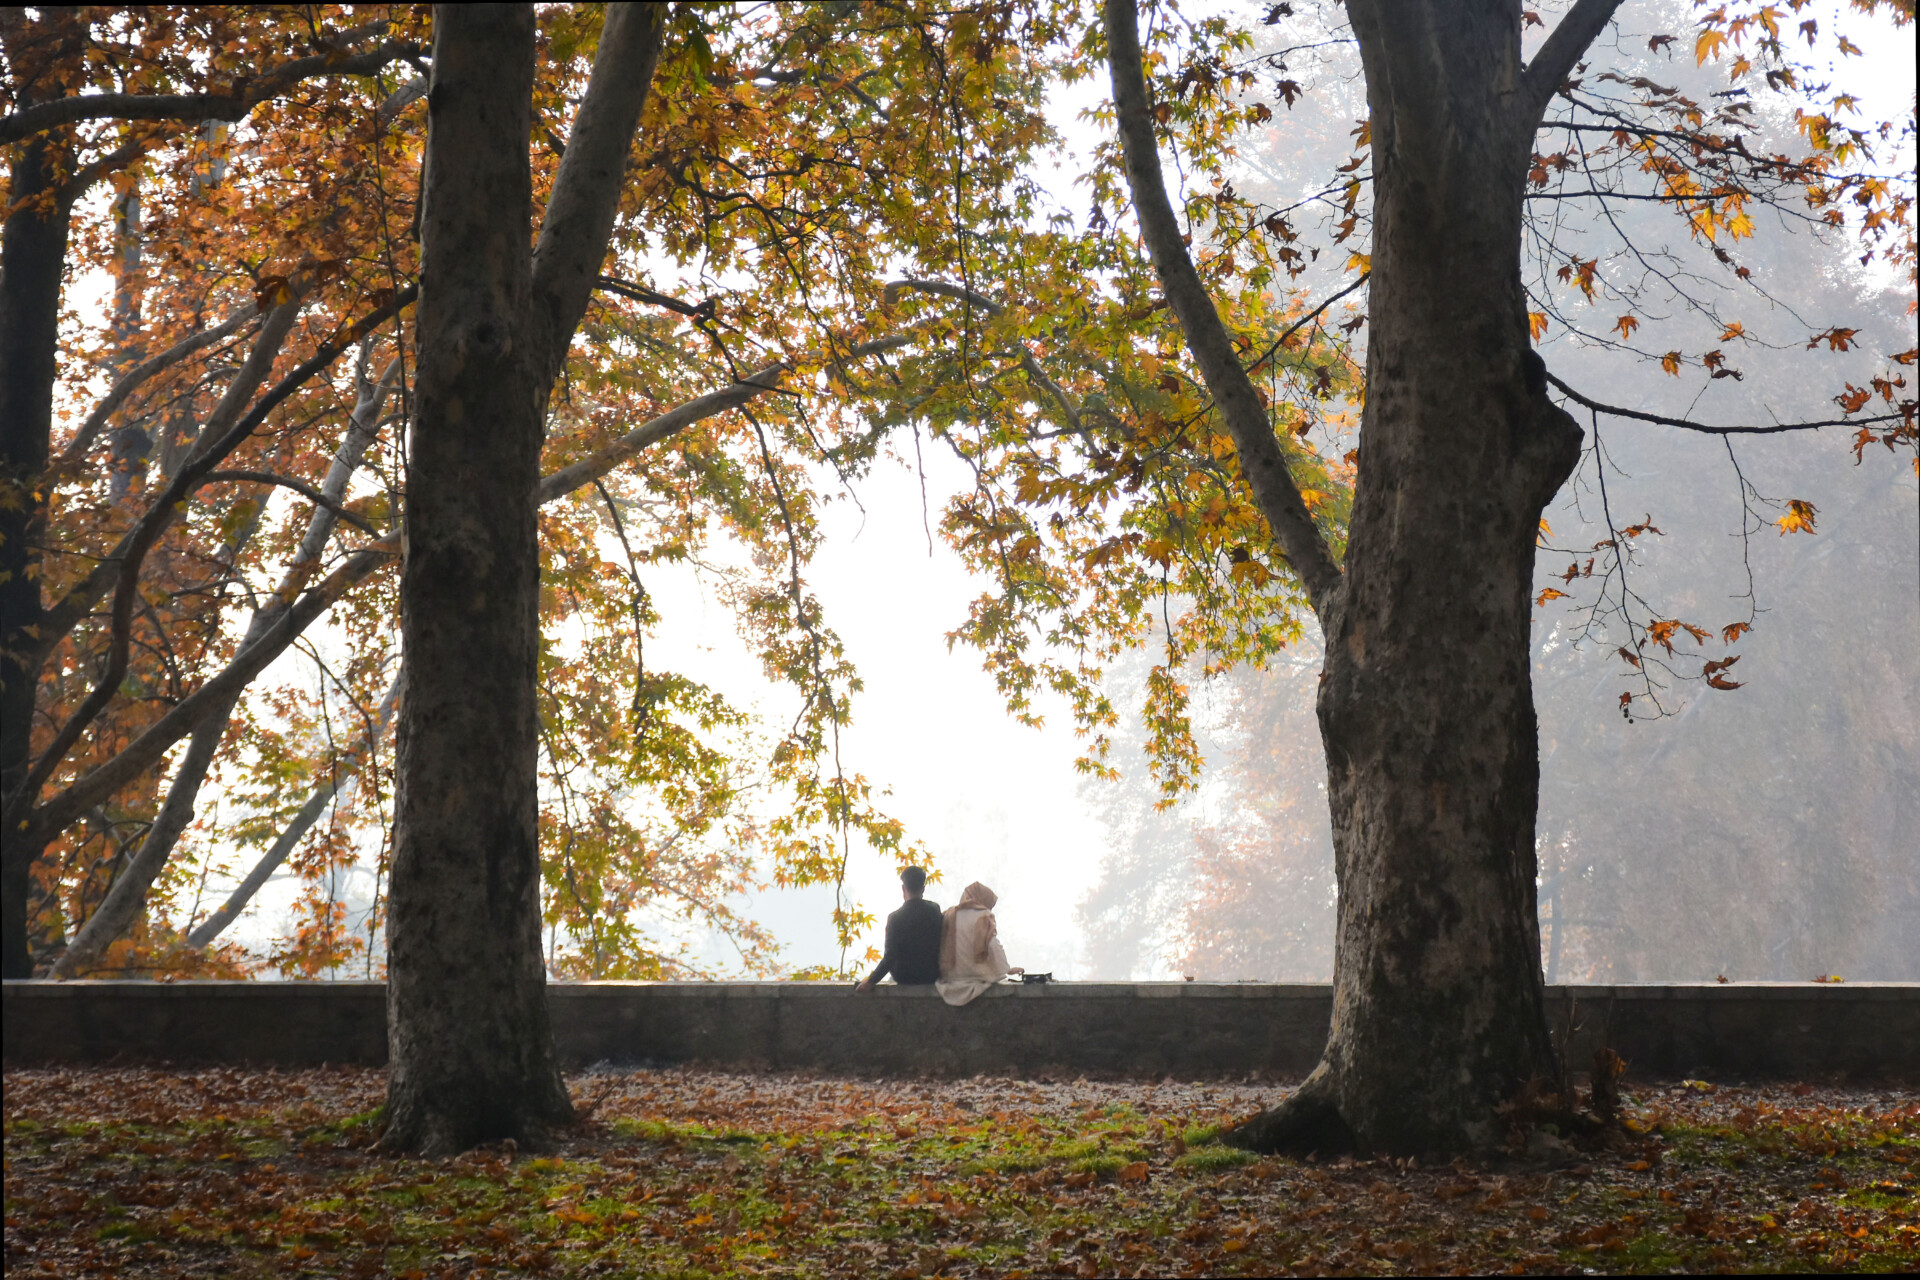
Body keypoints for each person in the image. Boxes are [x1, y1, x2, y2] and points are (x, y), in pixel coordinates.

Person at [935, 881, 1023, 1006]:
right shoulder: (984, 915)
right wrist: (1006, 970)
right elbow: (992, 945)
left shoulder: (948, 914)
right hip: (976, 977)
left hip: (949, 979)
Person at [854, 867, 942, 991]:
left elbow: (890, 956)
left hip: (905, 976)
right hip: (931, 975)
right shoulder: (934, 909)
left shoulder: (895, 918)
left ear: (903, 888)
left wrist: (871, 980)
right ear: (923, 888)